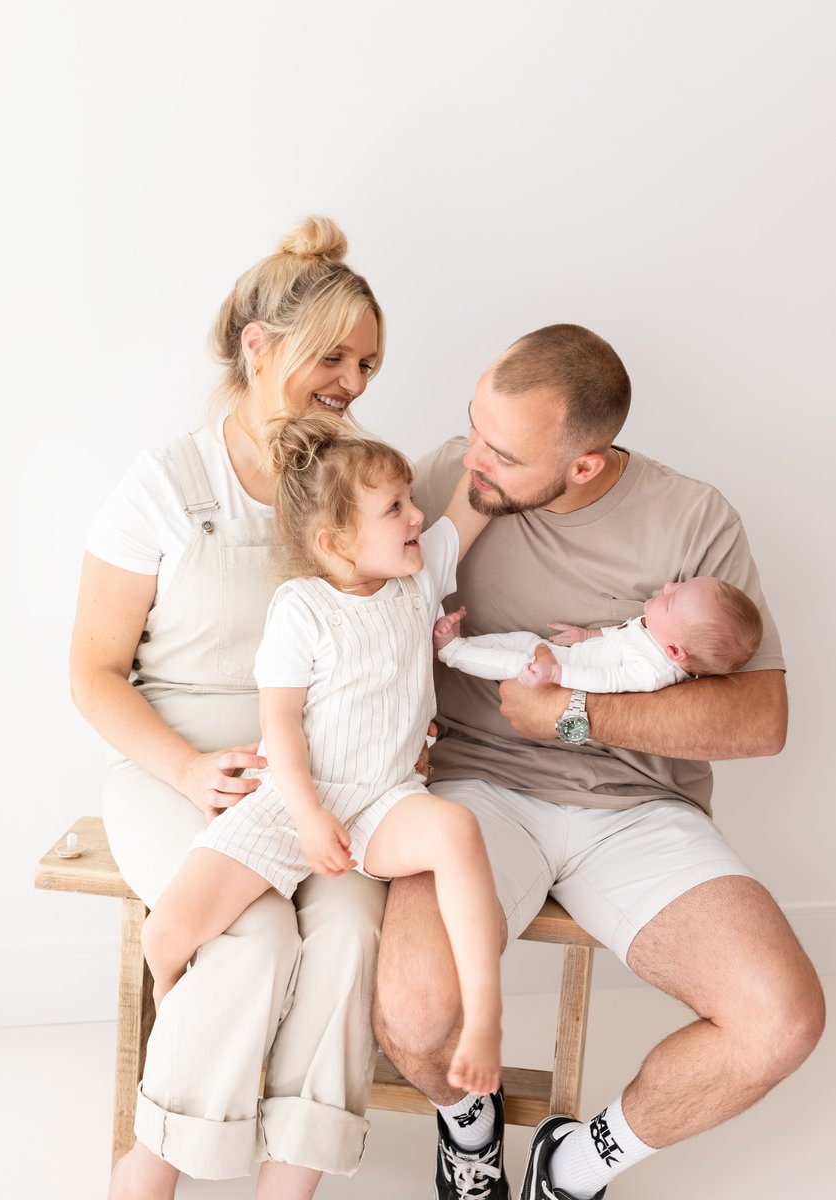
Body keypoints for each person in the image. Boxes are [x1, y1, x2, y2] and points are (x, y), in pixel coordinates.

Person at [372, 323, 825, 1200]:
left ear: (584, 464)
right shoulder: (443, 481)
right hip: (475, 790)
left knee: (780, 1022)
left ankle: (568, 1168)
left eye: (502, 452)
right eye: (473, 425)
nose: (473, 459)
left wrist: (574, 714)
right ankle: (469, 1133)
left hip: (636, 812)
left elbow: (759, 720)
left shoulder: (692, 517)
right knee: (414, 1015)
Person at [70, 216, 394, 1200]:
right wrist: (184, 769)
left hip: (321, 771)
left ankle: (284, 1189)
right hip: (181, 766)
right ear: (259, 347)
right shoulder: (165, 484)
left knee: (344, 933)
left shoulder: (354, 480)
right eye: (331, 356)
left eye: (368, 363)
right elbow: (92, 670)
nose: (351, 382)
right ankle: (150, 1171)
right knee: (251, 939)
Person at [142, 413, 502, 1097]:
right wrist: (307, 815)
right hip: (292, 801)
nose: (417, 515)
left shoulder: (417, 580)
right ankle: (173, 1010)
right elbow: (278, 720)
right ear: (336, 541)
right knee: (169, 933)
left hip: (383, 798)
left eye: (410, 500)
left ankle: (483, 1011)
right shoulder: (301, 607)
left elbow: (471, 505)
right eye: (394, 507)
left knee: (456, 829)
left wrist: (494, 446)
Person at [433, 575, 763, 692]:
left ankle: (451, 653)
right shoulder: (657, 631)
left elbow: (607, 682)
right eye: (681, 584)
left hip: (561, 674)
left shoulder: (651, 672)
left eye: (673, 597)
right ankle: (462, 644)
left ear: (675, 653)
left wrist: (557, 674)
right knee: (522, 640)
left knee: (514, 663)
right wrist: (586, 637)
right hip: (562, 654)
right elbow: (618, 635)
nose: (668, 585)